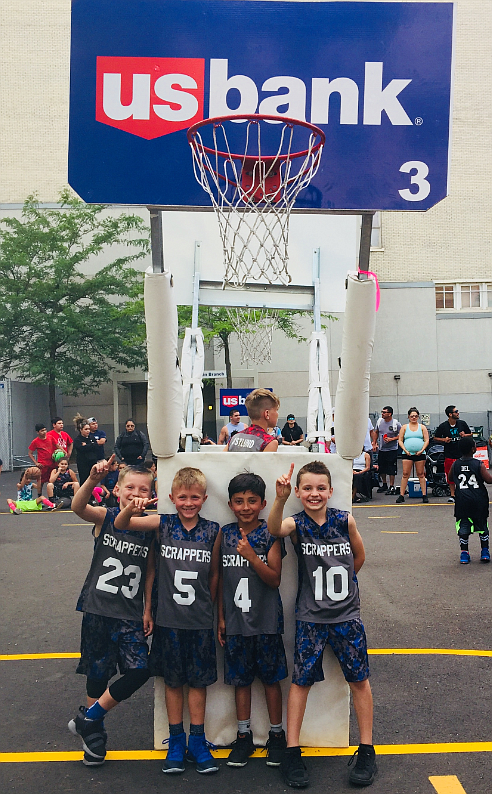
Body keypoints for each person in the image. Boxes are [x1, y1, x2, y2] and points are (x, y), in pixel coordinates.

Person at [268, 461, 376, 788]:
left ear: (330, 491)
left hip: (346, 616)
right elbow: (274, 529)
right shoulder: (296, 523)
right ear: (299, 492)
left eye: (320, 488)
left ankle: (367, 749)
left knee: (359, 680)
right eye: (308, 488)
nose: (314, 493)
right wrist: (280, 498)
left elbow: (359, 558)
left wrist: (342, 591)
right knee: (301, 682)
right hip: (311, 617)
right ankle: (292, 751)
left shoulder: (345, 521)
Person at [114, 466, 221, 775]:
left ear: (204, 498)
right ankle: (176, 740)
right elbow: (124, 525)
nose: (188, 503)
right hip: (167, 618)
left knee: (198, 682)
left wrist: (210, 610)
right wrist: (148, 609)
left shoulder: (212, 530)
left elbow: (214, 575)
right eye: (183, 497)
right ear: (172, 498)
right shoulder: (162, 524)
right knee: (172, 681)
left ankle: (197, 741)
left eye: (195, 497)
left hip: (199, 619)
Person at [68, 456, 156, 766]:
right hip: (99, 607)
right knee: (97, 673)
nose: (136, 493)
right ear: (117, 490)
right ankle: (95, 739)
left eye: (143, 489)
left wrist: (147, 608)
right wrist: (91, 480)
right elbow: (78, 508)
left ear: (151, 494)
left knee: (140, 669)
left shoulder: (150, 527)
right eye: (129, 487)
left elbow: (150, 571)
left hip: (129, 612)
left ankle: (90, 718)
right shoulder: (106, 517)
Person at [218, 473, 287, 768]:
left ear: (263, 503)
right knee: (240, 681)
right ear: (231, 504)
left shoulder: (269, 534)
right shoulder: (226, 533)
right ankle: (244, 736)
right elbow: (218, 579)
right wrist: (220, 618)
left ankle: (276, 736)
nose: (245, 507)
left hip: (265, 621)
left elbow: (274, 579)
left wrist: (251, 557)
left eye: (252, 501)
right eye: (239, 501)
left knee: (270, 680)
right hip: (235, 621)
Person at [450, 437, 492, 564]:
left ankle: (464, 553)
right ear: (473, 449)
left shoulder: (455, 464)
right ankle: (484, 551)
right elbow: (489, 480)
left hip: (462, 500)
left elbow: (451, 477)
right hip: (479, 500)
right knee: (482, 526)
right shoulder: (478, 464)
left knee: (463, 528)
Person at [434, 406, 473, 502]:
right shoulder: (443, 426)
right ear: (450, 414)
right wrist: (444, 440)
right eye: (456, 411)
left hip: (462, 454)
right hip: (449, 454)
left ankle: (464, 493)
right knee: (450, 475)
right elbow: (435, 438)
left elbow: (471, 434)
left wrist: (465, 435)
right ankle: (453, 495)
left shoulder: (462, 423)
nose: (458, 413)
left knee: (464, 474)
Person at [396, 408, 430, 504]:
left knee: (421, 474)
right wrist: (405, 450)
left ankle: (424, 495)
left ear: (418, 417)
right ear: (408, 417)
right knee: (405, 474)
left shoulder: (422, 427)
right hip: (407, 454)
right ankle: (401, 495)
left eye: (415, 416)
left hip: (420, 453)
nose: (414, 418)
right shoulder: (404, 427)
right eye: (412, 416)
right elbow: (400, 440)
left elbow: (426, 440)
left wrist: (422, 450)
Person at [373, 407, 401, 495]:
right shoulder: (380, 422)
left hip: (392, 449)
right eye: (382, 412)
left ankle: (391, 485)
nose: (382, 414)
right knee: (382, 467)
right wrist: (374, 442)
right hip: (382, 449)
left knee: (391, 467)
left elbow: (401, 435)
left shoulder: (396, 423)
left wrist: (392, 439)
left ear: (390, 414)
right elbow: (376, 432)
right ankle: (384, 484)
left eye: (384, 412)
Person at [28, 423, 57, 492]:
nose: (44, 432)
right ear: (37, 432)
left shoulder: (50, 437)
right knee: (41, 482)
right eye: (42, 431)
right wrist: (36, 463)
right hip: (42, 465)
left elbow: (57, 445)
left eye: (45, 430)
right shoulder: (35, 441)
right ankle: (39, 497)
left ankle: (53, 498)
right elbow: (30, 453)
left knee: (53, 481)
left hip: (52, 463)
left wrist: (63, 452)